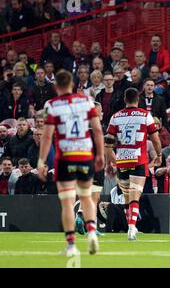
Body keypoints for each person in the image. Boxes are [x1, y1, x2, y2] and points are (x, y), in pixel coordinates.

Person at [38, 70, 104, 256]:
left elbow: (47, 136)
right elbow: (97, 130)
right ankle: (92, 233)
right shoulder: (86, 101)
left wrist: (41, 161)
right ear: (72, 83)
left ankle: (72, 246)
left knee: (67, 202)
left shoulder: (52, 105)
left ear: (55, 86)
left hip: (65, 157)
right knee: (86, 196)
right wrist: (100, 155)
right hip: (84, 155)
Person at [105, 88, 162, 240]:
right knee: (135, 196)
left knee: (127, 198)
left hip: (122, 160)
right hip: (139, 159)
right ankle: (131, 227)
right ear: (138, 99)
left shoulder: (115, 117)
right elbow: (155, 139)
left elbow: (108, 143)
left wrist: (111, 161)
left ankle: (131, 226)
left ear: (125, 99)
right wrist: (159, 154)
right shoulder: (145, 115)